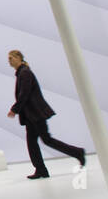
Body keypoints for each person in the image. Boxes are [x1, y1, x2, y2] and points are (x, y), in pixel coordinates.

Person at [6, 50, 87, 179]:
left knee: (46, 140)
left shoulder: (25, 73)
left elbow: (24, 94)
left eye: (11, 58)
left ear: (18, 58)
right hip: (31, 115)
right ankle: (41, 169)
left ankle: (77, 153)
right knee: (33, 142)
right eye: (8, 58)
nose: (9, 61)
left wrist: (14, 110)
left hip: (35, 114)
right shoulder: (22, 73)